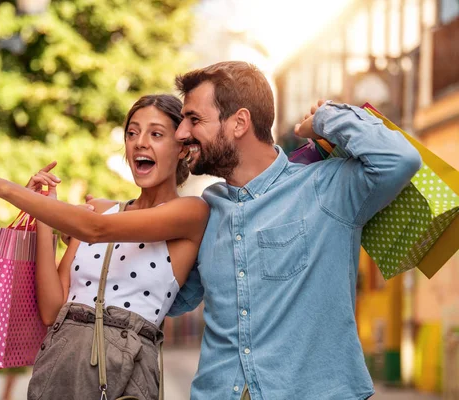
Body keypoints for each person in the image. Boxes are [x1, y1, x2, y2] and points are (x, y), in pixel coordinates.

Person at [167, 61, 422, 400]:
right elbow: (170, 300)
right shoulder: (204, 212)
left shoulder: (326, 189)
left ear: (240, 122)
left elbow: (400, 159)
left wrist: (327, 118)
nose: (181, 133)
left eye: (194, 119)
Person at [0, 94, 209, 400]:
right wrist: (43, 213)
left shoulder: (190, 212)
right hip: (59, 365)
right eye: (132, 133)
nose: (140, 142)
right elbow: (51, 310)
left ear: (181, 148)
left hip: (126, 373)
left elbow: (95, 230)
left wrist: (1, 187)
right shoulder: (98, 210)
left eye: (156, 134)